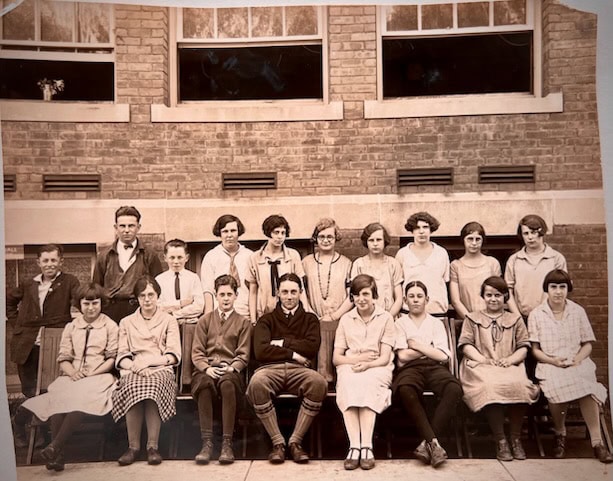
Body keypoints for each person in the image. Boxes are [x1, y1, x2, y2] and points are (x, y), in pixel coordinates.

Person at [21, 283, 119, 471]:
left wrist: (92, 373)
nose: (91, 308)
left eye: (95, 303)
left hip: (100, 376)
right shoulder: (72, 326)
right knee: (59, 397)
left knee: (81, 399)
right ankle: (57, 453)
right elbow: (63, 358)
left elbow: (112, 358)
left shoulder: (110, 325)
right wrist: (73, 372)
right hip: (73, 375)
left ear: (101, 304)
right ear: (79, 305)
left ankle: (56, 448)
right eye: (86, 304)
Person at [528, 269, 612, 463]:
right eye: (554, 287)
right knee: (555, 387)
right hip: (549, 363)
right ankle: (560, 433)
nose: (558, 291)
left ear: (568, 288)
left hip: (576, 361)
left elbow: (588, 344)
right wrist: (553, 361)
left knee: (588, 388)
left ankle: (597, 443)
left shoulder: (577, 310)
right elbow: (535, 350)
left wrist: (577, 359)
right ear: (547, 289)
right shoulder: (536, 314)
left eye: (562, 287)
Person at [246, 273, 327, 464]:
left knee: (318, 383)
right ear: (277, 294)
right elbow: (261, 351)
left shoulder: (310, 319)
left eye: (293, 292)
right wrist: (293, 354)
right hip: (270, 369)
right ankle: (278, 443)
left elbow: (311, 347)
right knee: (257, 383)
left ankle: (295, 442)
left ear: (300, 293)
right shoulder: (266, 320)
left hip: (299, 371)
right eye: (284, 292)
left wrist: (282, 342)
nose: (289, 296)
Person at [458, 276, 539, 462]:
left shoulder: (515, 319)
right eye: (488, 295)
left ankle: (515, 438)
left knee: (519, 385)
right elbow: (466, 345)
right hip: (480, 365)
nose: (493, 299)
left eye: (498, 295)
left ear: (505, 297)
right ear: (483, 297)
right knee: (490, 386)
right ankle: (501, 440)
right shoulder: (472, 318)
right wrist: (483, 359)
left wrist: (510, 360)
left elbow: (523, 347)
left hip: (509, 363)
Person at [7, 243, 80, 448]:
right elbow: (8, 302)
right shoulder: (28, 284)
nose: (49, 264)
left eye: (53, 260)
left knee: (51, 390)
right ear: (38, 262)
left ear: (61, 261)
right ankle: (20, 424)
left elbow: (81, 300)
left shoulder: (69, 282)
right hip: (27, 346)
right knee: (31, 391)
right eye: (45, 260)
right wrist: (17, 324)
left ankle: (41, 433)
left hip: (54, 345)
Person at [111, 276, 181, 466]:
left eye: (151, 294)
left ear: (158, 296)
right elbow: (122, 355)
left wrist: (150, 362)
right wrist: (136, 366)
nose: (147, 299)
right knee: (132, 384)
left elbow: (173, 355)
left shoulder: (168, 320)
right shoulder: (126, 322)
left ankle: (152, 447)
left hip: (161, 368)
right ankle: (133, 447)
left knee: (153, 386)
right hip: (134, 368)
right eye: (142, 296)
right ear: (137, 298)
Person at [393, 281, 462, 468]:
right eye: (412, 297)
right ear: (405, 300)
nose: (415, 300)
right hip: (410, 369)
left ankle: (428, 444)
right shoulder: (400, 323)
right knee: (405, 389)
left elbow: (443, 356)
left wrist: (416, 345)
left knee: (454, 389)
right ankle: (435, 443)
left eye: (419, 296)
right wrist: (429, 348)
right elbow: (402, 356)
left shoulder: (435, 323)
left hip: (434, 367)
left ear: (427, 299)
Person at [333, 274, 395, 471]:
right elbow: (337, 358)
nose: (361, 299)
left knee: (367, 384)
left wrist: (368, 365)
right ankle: (354, 446)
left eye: (365, 294)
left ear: (374, 295)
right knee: (349, 384)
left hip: (377, 365)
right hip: (351, 364)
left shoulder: (386, 318)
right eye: (356, 295)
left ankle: (366, 446)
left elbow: (385, 357)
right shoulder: (345, 319)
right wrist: (357, 361)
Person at [191, 275, 251, 465]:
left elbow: (243, 354)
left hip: (230, 371)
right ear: (216, 295)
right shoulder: (205, 321)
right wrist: (207, 368)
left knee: (227, 384)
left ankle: (227, 443)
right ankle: (207, 443)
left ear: (236, 296)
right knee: (205, 385)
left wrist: (232, 368)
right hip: (206, 370)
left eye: (229, 294)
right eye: (222, 294)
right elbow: (197, 352)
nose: (226, 298)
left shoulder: (243, 323)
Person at [302, 218, 353, 383]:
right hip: (313, 317)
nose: (325, 240)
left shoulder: (346, 263)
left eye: (329, 237)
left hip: (338, 318)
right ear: (316, 239)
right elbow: (301, 291)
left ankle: (330, 380)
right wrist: (310, 311)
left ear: (336, 238)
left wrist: (335, 315)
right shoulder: (306, 262)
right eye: (321, 236)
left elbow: (351, 296)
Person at [93, 205, 163, 323]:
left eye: (131, 226)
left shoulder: (149, 255)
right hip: (110, 311)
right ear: (116, 227)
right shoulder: (105, 256)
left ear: (138, 227)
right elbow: (96, 287)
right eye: (122, 226)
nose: (126, 230)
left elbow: (158, 286)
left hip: (139, 310)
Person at [246, 214, 309, 325]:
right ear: (268, 233)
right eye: (276, 232)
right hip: (265, 314)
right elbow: (253, 291)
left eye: (283, 233)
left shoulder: (293, 255)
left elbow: (301, 288)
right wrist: (253, 319)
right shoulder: (255, 258)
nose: (280, 237)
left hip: (289, 315)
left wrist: (305, 313)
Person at [504, 214, 567, 320]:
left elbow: (561, 290)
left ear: (541, 233)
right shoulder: (514, 260)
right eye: (526, 233)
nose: (530, 237)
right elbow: (507, 290)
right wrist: (518, 317)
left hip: (549, 317)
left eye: (533, 232)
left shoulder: (556, 258)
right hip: (522, 317)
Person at [396, 212, 450, 316]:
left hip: (436, 312)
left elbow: (445, 281)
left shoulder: (441, 253)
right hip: (409, 312)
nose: (421, 231)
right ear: (412, 231)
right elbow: (398, 285)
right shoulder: (403, 253)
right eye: (417, 228)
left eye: (425, 227)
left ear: (431, 230)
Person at [200, 214, 253, 317]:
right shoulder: (211, 256)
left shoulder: (250, 256)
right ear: (219, 233)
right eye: (225, 231)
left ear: (239, 232)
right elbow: (208, 290)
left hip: (244, 313)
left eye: (233, 231)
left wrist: (253, 316)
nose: (229, 235)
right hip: (220, 315)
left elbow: (254, 289)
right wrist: (209, 318)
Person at [449, 222, 502, 320]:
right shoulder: (456, 266)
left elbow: (499, 294)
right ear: (463, 240)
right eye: (470, 239)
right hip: (466, 320)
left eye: (477, 239)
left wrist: (489, 319)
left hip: (491, 320)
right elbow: (455, 300)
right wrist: (471, 321)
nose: (474, 243)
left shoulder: (492, 263)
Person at [350, 222, 403, 318]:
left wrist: (387, 318)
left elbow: (399, 298)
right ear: (366, 242)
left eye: (378, 240)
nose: (375, 244)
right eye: (371, 240)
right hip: (365, 318)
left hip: (389, 317)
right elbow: (355, 296)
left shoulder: (393, 264)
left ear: (384, 241)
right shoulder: (359, 264)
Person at [155, 239, 204, 324]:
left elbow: (199, 306)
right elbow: (158, 307)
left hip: (188, 324)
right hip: (165, 324)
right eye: (172, 258)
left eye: (180, 257)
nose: (176, 262)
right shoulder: (159, 280)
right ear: (165, 258)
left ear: (187, 258)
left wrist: (175, 314)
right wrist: (180, 304)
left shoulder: (193, 278)